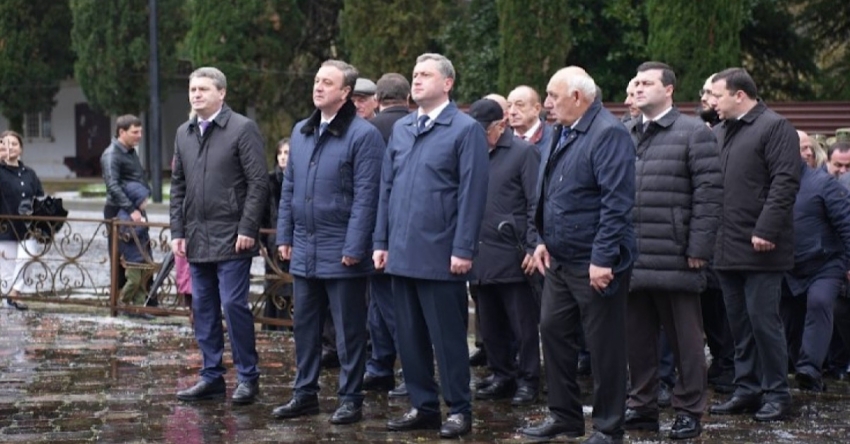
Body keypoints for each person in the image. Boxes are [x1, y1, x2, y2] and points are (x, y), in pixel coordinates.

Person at [373, 53, 488, 439]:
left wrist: (464, 248)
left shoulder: (465, 129)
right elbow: (386, 189)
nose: (417, 80)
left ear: (448, 83)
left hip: (441, 253)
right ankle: (423, 406)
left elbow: (472, 193)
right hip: (402, 251)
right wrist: (381, 241)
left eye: (425, 74)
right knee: (408, 337)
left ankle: (458, 409)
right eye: (415, 74)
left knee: (447, 338)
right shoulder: (403, 128)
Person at [520, 66, 636, 444]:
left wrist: (602, 258)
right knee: (553, 332)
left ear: (577, 97)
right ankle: (565, 417)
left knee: (604, 347)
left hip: (594, 262)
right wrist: (541, 238)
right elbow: (550, 191)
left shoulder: (608, 133)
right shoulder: (563, 130)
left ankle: (609, 427)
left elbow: (616, 203)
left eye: (553, 96)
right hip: (559, 259)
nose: (547, 103)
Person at [272, 60, 384, 425]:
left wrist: (354, 246)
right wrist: (284, 234)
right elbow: (290, 187)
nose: (318, 87)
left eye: (327, 83)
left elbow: (367, 197)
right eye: (317, 80)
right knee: (305, 328)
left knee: (349, 332)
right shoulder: (302, 131)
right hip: (305, 247)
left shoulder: (363, 135)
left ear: (346, 92)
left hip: (342, 250)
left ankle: (351, 398)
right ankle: (304, 394)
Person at [623, 62, 721, 440]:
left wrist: (699, 247)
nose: (638, 88)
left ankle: (689, 411)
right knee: (637, 340)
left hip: (678, 256)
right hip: (632, 256)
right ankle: (642, 406)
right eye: (636, 83)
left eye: (647, 83)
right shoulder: (625, 132)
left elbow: (709, 195)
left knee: (686, 343)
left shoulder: (693, 132)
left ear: (669, 90)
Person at [170, 66, 268, 405]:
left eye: (203, 89)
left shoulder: (242, 128)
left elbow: (258, 183)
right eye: (192, 89)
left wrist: (248, 227)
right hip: (197, 237)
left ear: (221, 93)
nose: (196, 94)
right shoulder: (184, 132)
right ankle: (211, 375)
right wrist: (178, 231)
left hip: (233, 237)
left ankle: (248, 376)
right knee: (204, 308)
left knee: (233, 305)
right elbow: (178, 186)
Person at [708, 68, 800, 422]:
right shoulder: (720, 132)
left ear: (740, 95)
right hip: (726, 246)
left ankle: (777, 394)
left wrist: (766, 229)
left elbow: (785, 182)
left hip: (762, 248)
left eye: (717, 95)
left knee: (764, 323)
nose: (711, 102)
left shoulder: (775, 127)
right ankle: (747, 389)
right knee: (739, 326)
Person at [466, 98, 542, 406]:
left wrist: (533, 244)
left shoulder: (523, 153)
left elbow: (536, 202)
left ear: (500, 126)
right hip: (480, 252)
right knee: (489, 323)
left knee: (523, 325)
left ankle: (529, 378)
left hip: (513, 253)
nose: (479, 137)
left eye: (484, 131)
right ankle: (501, 374)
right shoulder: (471, 153)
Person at [779, 139, 850, 393]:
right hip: (789, 265)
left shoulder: (824, 184)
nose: (808, 152)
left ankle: (809, 368)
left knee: (819, 303)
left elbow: (846, 223)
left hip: (826, 262)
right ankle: (800, 365)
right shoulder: (773, 184)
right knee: (791, 318)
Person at [362, 72, 412, 397]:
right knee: (389, 305)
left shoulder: (369, 130)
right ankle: (387, 366)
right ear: (408, 99)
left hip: (373, 231)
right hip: (407, 230)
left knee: (384, 305)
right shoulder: (415, 127)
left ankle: (389, 367)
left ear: (377, 99)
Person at [101, 115, 147, 292]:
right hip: (119, 210)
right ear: (122, 132)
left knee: (140, 253)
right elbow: (112, 185)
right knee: (121, 256)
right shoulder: (112, 154)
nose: (139, 136)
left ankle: (143, 299)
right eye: (135, 132)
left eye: (140, 132)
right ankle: (120, 299)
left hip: (133, 208)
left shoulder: (129, 151)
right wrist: (131, 209)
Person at [0, 130, 44, 310]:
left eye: (14, 144)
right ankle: (8, 302)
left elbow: (39, 196)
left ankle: (14, 293)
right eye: (5, 144)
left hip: (28, 227)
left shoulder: (29, 173)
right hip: (5, 227)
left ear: (21, 149)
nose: (10, 147)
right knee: (7, 267)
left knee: (28, 257)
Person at [262, 138, 292, 329]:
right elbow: (263, 213)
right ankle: (274, 325)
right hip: (273, 241)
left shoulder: (300, 178)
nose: (282, 157)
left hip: (293, 241)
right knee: (275, 285)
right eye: (280, 153)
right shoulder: (270, 181)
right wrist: (262, 241)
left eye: (286, 153)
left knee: (292, 285)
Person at [117, 181, 154, 321]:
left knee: (142, 283)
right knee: (133, 280)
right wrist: (141, 226)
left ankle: (139, 308)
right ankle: (122, 302)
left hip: (142, 253)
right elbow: (127, 234)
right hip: (132, 255)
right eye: (144, 201)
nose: (146, 203)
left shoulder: (141, 212)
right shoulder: (124, 214)